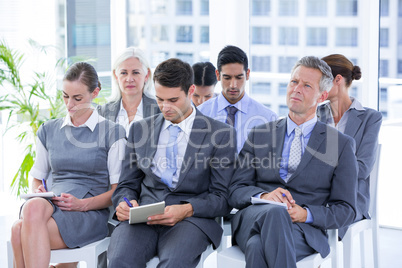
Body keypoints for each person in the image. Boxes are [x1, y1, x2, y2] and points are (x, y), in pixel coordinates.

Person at [228, 56, 358, 267]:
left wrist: (306, 214)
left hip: (302, 230)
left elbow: (346, 209)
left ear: (322, 96)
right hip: (254, 219)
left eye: (307, 85)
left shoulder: (340, 145)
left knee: (256, 247)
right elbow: (235, 190)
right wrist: (264, 196)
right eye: (294, 81)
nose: (296, 89)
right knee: (275, 213)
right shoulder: (259, 135)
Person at [107, 58, 236, 267]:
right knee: (119, 260)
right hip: (143, 217)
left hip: (190, 220)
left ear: (191, 90)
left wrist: (187, 209)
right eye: (160, 99)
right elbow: (126, 185)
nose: (165, 107)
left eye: (173, 100)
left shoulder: (221, 134)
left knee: (173, 264)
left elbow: (222, 198)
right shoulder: (140, 130)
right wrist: (124, 202)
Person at [10, 62, 126, 268]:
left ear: (95, 93)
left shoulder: (112, 133)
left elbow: (117, 193)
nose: (69, 104)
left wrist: (82, 205)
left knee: (19, 231)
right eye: (65, 96)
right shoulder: (49, 130)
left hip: (88, 213)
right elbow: (37, 176)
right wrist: (38, 189)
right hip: (53, 204)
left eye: (77, 98)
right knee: (33, 205)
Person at [317, 54, 382, 238]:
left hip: (350, 198)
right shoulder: (316, 113)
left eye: (321, 81)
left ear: (337, 80)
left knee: (309, 220)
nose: (317, 87)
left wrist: (320, 170)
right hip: (317, 194)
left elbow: (362, 169)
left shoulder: (370, 118)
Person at [198, 45, 277, 153]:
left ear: (247, 74)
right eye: (227, 78)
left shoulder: (267, 118)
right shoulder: (201, 113)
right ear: (218, 75)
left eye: (239, 77)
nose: (233, 85)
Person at [97, 47, 160, 135]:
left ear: (146, 75)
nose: (129, 79)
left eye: (135, 72)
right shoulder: (102, 112)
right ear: (116, 76)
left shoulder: (159, 110)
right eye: (124, 73)